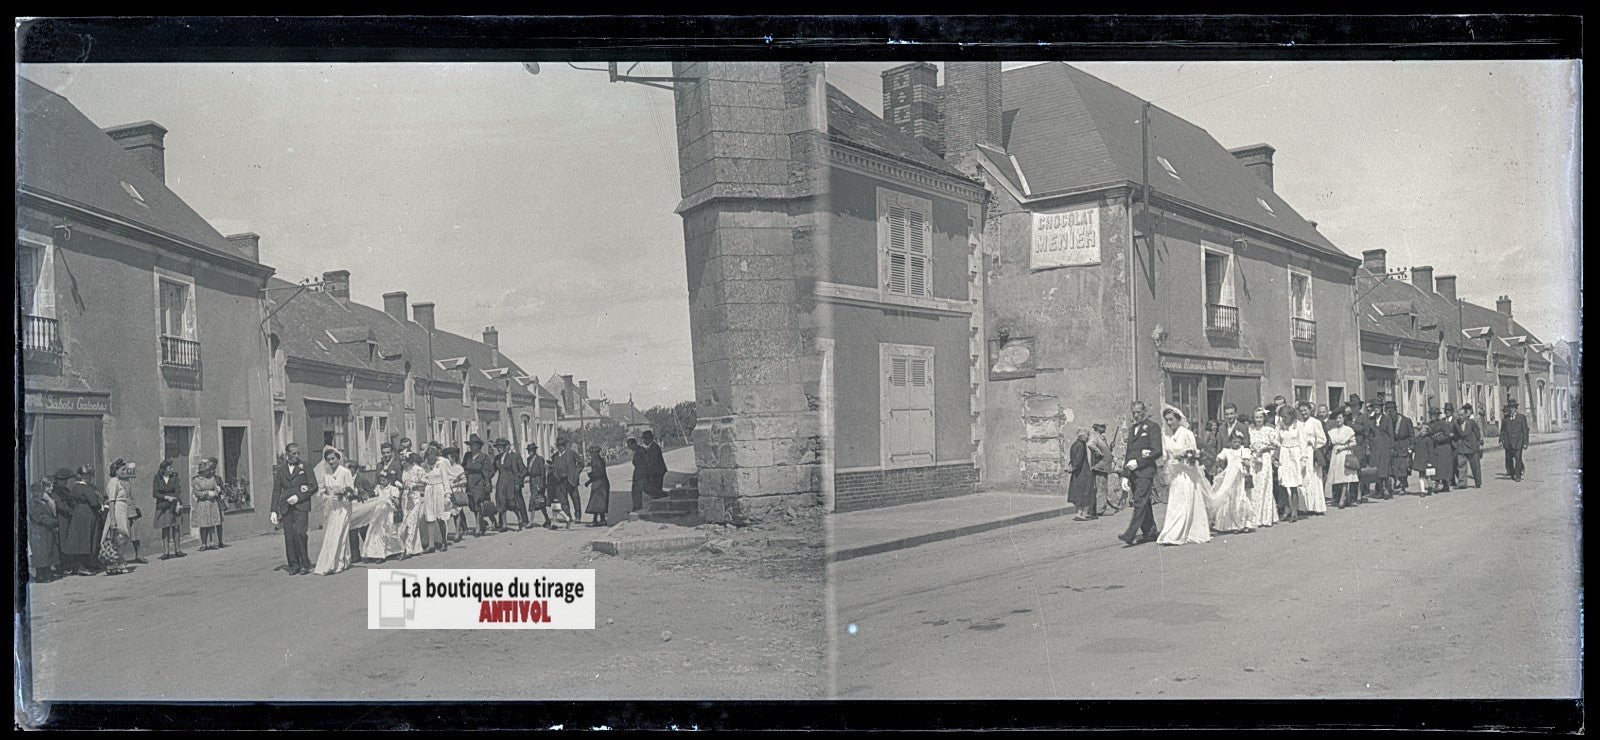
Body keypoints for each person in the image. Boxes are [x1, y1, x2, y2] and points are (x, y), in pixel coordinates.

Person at [1155, 405, 1211, 546]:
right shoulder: (1167, 436)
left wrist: (1184, 459)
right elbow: (1167, 456)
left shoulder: (1186, 434)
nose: (1169, 423)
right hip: (1175, 475)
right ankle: (1173, 532)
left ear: (1179, 419)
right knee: (1175, 503)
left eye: (1171, 419)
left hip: (1187, 474)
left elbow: (1193, 455)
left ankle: (1182, 534)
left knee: (1186, 502)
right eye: (1166, 420)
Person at [1117, 401, 1163, 547]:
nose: (1136, 415)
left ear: (1145, 411)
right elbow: (1128, 453)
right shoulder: (1132, 429)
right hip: (1133, 473)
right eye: (1134, 413)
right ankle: (1150, 533)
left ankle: (1130, 533)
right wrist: (1125, 474)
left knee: (1139, 501)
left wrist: (1139, 462)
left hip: (1145, 471)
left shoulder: (1152, 427)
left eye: (1139, 412)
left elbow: (1157, 450)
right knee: (1145, 502)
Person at [271, 442, 318, 575]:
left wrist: (299, 497)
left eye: (298, 453)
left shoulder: (305, 466)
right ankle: (293, 565)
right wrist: (273, 510)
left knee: (299, 533)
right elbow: (276, 491)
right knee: (289, 536)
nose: (297, 456)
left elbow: (313, 486)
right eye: (293, 453)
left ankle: (305, 563)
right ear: (287, 455)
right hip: (286, 506)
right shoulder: (281, 470)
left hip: (301, 505)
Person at [312, 447, 357, 575]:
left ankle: (339, 563)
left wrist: (342, 495)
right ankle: (335, 561)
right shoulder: (326, 473)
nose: (331, 462)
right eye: (328, 460)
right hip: (331, 508)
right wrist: (326, 496)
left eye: (333, 459)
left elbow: (351, 491)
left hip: (343, 507)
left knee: (340, 534)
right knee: (330, 535)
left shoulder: (345, 472)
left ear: (338, 458)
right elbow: (321, 491)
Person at [351, 469, 405, 562]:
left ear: (389, 479)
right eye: (381, 479)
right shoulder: (378, 488)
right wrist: (366, 495)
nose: (382, 481)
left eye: (384, 480)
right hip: (378, 514)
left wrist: (391, 498)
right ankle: (379, 555)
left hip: (388, 514)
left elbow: (397, 503)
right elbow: (373, 496)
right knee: (376, 533)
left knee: (391, 534)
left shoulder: (393, 489)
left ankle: (401, 550)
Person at [55, 468, 99, 576]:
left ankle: (80, 566)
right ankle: (77, 567)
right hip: (72, 517)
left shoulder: (71, 489)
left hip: (75, 516)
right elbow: (93, 502)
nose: (65, 482)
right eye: (62, 480)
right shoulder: (84, 487)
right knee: (79, 542)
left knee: (79, 541)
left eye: (66, 479)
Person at [1207, 431, 1254, 533]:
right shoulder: (1226, 451)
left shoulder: (1243, 450)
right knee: (1229, 498)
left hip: (1240, 477)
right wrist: (1219, 466)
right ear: (1230, 442)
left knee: (1240, 498)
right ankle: (1230, 524)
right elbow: (1218, 459)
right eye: (1234, 442)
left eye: (1238, 442)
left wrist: (1245, 462)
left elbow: (1248, 463)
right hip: (1229, 476)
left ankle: (1243, 523)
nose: (1236, 444)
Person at [100, 459, 138, 576]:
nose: (124, 471)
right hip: (116, 511)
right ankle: (117, 563)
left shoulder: (118, 482)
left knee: (119, 539)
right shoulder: (113, 482)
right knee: (118, 539)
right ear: (116, 471)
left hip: (121, 511)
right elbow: (111, 501)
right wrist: (112, 519)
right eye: (122, 469)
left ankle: (114, 564)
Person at [1244, 407, 1280, 530]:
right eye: (1256, 417)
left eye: (1260, 417)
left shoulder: (1269, 430)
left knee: (1265, 486)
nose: (1258, 420)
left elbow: (1276, 445)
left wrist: (1265, 449)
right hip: (1254, 460)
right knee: (1255, 488)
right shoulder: (1250, 430)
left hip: (1264, 459)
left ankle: (1265, 517)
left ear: (1264, 418)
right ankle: (1255, 517)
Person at [1294, 402, 1328, 516]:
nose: (1303, 413)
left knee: (1313, 478)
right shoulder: (1298, 423)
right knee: (1302, 477)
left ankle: (1315, 506)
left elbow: (1323, 439)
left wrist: (1312, 442)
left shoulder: (1315, 422)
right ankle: (1303, 506)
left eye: (1305, 410)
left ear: (1310, 410)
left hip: (1311, 452)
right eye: (1301, 411)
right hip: (1300, 453)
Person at [149, 459, 188, 560]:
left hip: (174, 505)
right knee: (165, 528)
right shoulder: (157, 478)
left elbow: (178, 491)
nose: (172, 469)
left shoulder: (175, 477)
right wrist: (166, 497)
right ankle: (166, 552)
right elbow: (155, 493)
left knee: (176, 527)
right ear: (164, 469)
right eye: (170, 468)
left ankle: (178, 550)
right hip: (163, 505)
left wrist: (178, 503)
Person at [28, 477, 62, 582]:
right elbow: (39, 517)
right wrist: (52, 522)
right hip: (39, 531)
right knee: (41, 554)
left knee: (47, 553)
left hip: (46, 531)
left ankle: (47, 573)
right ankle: (40, 576)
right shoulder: (34, 503)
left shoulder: (43, 501)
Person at [1325, 411, 1361, 508]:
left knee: (1345, 476)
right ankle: (1339, 496)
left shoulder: (1348, 430)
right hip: (1335, 454)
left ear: (1343, 418)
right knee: (1337, 476)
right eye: (1336, 418)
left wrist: (1344, 447)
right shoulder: (1332, 431)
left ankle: (1343, 498)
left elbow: (1354, 443)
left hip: (1344, 454)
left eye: (1340, 418)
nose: (1338, 420)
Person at [492, 438, 529, 531]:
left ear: (505, 447)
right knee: (501, 502)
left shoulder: (514, 457)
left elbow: (524, 470)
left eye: (501, 447)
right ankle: (504, 524)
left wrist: (519, 481)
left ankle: (520, 518)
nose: (499, 449)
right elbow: (492, 471)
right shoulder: (497, 459)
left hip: (511, 482)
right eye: (498, 447)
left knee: (512, 502)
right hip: (501, 482)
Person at [462, 434, 495, 536]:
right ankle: (482, 522)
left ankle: (478, 527)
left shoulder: (484, 457)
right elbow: (464, 468)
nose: (472, 447)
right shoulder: (467, 456)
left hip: (479, 483)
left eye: (474, 444)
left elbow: (490, 471)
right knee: (472, 505)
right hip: (469, 483)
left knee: (477, 504)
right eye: (471, 444)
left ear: (478, 446)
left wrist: (487, 482)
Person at [399, 452, 430, 557]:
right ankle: (415, 547)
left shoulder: (418, 469)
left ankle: (408, 549)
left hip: (415, 498)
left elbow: (426, 483)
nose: (402, 462)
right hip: (405, 498)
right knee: (405, 523)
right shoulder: (403, 470)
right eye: (401, 460)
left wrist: (415, 485)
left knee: (411, 523)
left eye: (404, 460)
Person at [1273, 405, 1301, 523]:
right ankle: (1287, 508)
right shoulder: (1280, 426)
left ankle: (1295, 511)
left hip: (1295, 454)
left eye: (1285, 417)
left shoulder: (1298, 425)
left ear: (1291, 415)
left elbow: (1303, 441)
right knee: (1283, 483)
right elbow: (1275, 439)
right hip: (1284, 454)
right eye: (1281, 417)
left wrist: (1303, 458)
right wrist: (1279, 448)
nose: (1283, 419)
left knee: (1293, 484)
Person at [191, 458, 226, 551]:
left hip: (212, 503)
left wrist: (215, 493)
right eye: (206, 470)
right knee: (204, 524)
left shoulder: (212, 478)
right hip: (203, 503)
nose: (208, 471)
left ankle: (212, 543)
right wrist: (207, 493)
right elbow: (197, 492)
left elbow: (216, 488)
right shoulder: (197, 480)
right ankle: (204, 543)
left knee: (212, 523)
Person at [436, 445, 467, 545]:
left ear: (453, 457)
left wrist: (454, 484)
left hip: (455, 491)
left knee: (456, 512)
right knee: (448, 512)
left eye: (448, 457)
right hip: (446, 491)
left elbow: (464, 480)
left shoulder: (458, 468)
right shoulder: (444, 466)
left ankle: (457, 531)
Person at [1423, 408, 1458, 494]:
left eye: (1434, 415)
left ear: (1438, 415)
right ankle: (1437, 484)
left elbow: (1447, 435)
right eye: (1431, 415)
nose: (1432, 417)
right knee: (1435, 467)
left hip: (1443, 447)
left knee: (1443, 467)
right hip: (1434, 448)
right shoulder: (1429, 424)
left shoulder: (1443, 424)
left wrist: (1437, 439)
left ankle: (1444, 484)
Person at [1067, 428, 1099, 520]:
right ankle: (1081, 514)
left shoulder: (1075, 444)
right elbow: (1079, 459)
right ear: (1082, 436)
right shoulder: (1081, 445)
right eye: (1087, 435)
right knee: (1085, 493)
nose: (1088, 437)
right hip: (1083, 473)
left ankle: (1079, 513)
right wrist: (1074, 468)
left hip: (1077, 473)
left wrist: (1072, 468)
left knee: (1079, 493)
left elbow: (1073, 458)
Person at [551, 439, 584, 528]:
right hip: (560, 481)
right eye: (559, 446)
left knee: (575, 498)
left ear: (564, 446)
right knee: (563, 500)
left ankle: (578, 516)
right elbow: (553, 468)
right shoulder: (555, 456)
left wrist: (576, 473)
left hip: (571, 480)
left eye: (562, 445)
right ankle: (568, 517)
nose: (560, 447)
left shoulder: (571, 453)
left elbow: (581, 463)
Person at [1385, 401, 1412, 498]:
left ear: (1396, 411)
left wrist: (1411, 447)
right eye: (1388, 412)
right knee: (1394, 468)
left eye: (1391, 411)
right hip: (1393, 448)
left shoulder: (1406, 421)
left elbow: (1411, 435)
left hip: (1404, 447)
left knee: (1403, 468)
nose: (1390, 414)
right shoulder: (1388, 421)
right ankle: (1393, 485)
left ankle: (1403, 487)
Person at [1088, 423, 1116, 515]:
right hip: (1099, 466)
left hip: (1104, 466)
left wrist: (1111, 447)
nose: (1105, 428)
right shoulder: (1094, 436)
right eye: (1103, 426)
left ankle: (1100, 508)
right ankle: (1100, 510)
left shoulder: (1102, 437)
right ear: (1098, 427)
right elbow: (1091, 445)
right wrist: (1098, 453)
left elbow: (1106, 451)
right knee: (1101, 488)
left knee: (1103, 487)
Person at [1456, 403, 1484, 488]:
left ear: (1465, 415)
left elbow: (1477, 433)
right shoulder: (1456, 423)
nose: (1460, 417)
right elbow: (1455, 433)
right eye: (1459, 415)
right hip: (1462, 447)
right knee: (1461, 465)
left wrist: (1477, 442)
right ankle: (1462, 483)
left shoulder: (1471, 422)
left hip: (1472, 446)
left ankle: (1478, 482)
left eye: (1462, 415)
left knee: (1475, 465)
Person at [525, 443, 553, 528]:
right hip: (532, 482)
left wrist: (541, 484)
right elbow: (528, 471)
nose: (530, 452)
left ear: (535, 450)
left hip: (538, 482)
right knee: (540, 503)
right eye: (529, 450)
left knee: (533, 502)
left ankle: (531, 522)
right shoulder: (528, 459)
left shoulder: (540, 459)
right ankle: (547, 519)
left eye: (532, 450)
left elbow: (542, 473)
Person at [583, 445, 612, 527]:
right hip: (599, 483)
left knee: (596, 503)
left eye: (592, 453)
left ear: (596, 453)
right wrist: (589, 481)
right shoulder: (595, 460)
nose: (591, 454)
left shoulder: (598, 461)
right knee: (599, 503)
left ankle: (596, 520)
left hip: (600, 484)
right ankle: (602, 520)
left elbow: (599, 472)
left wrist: (590, 477)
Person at [1502, 399, 1529, 482]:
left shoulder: (1521, 418)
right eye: (1510, 407)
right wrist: (1501, 440)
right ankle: (1513, 473)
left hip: (1518, 443)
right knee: (1509, 460)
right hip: (1508, 443)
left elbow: (1525, 430)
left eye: (1513, 407)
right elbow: (1502, 430)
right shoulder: (1506, 419)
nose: (1511, 409)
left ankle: (1518, 476)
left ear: (1516, 408)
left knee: (1518, 459)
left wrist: (1525, 443)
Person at [638, 431, 668, 501]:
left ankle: (660, 499)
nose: (644, 441)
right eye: (644, 439)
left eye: (645, 439)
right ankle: (658, 499)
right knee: (655, 488)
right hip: (657, 471)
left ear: (650, 439)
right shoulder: (651, 446)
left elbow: (653, 462)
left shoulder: (654, 447)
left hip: (657, 472)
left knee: (656, 488)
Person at [625, 438, 647, 512]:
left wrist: (641, 476)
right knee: (635, 492)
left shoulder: (641, 451)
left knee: (637, 492)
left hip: (641, 476)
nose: (629, 448)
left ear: (634, 444)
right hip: (638, 475)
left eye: (629, 445)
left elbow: (644, 464)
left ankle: (637, 509)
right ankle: (636, 509)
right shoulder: (638, 450)